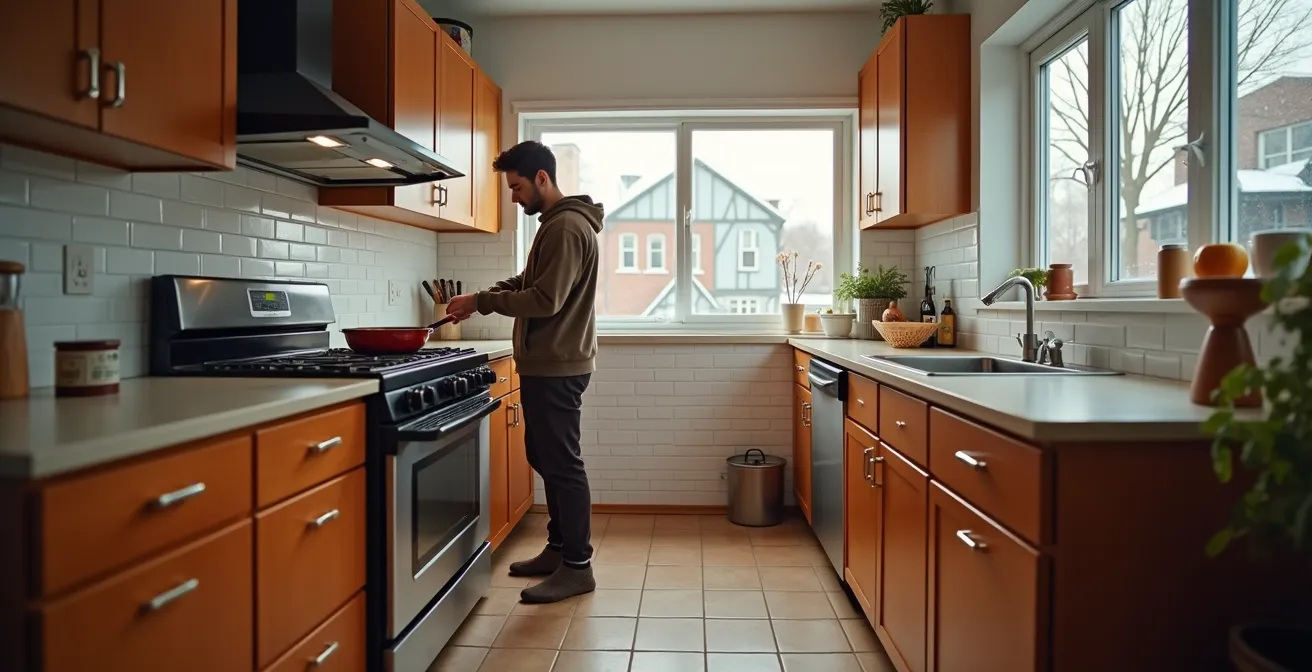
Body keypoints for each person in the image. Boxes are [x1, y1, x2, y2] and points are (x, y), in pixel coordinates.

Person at [444, 141, 603, 604]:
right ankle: (559, 550)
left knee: (562, 465)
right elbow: (529, 282)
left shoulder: (566, 227)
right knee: (548, 457)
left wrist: (483, 302)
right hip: (550, 362)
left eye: (515, 187)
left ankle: (578, 567)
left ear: (541, 179)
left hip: (556, 365)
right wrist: (483, 294)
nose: (513, 197)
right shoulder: (556, 225)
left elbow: (545, 300)